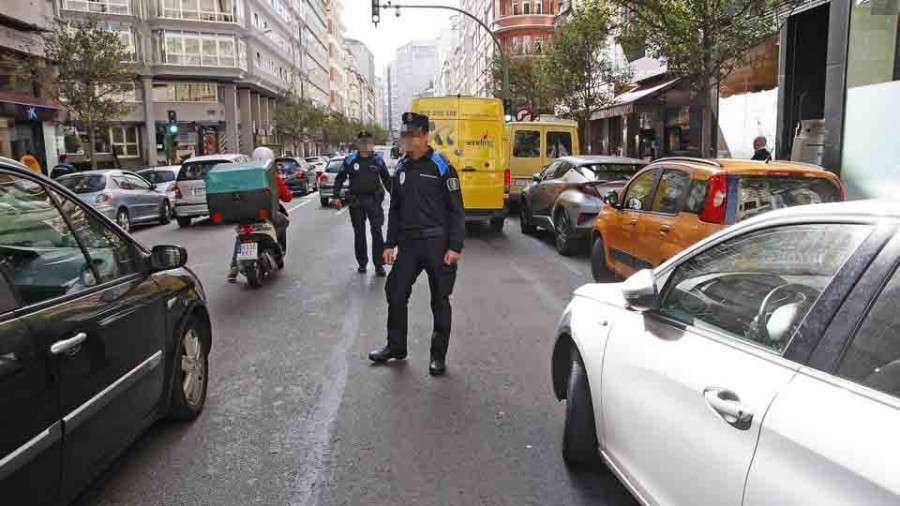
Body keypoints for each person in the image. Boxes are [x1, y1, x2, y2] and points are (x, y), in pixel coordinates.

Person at [369, 112, 465, 376]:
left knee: (440, 300)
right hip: (409, 245)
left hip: (437, 244)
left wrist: (455, 247)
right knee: (395, 292)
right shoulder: (400, 168)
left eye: (411, 135)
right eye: (404, 135)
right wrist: (389, 244)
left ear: (425, 136)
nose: (406, 140)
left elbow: (457, 211)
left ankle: (438, 356)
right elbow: (395, 210)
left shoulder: (442, 166)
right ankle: (396, 346)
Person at [227, 147, 292, 282]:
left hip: (246, 215)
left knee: (241, 235)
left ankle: (234, 266)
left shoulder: (244, 176)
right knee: (284, 221)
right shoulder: (272, 176)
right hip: (266, 217)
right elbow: (287, 197)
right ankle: (277, 250)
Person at [333, 131, 392, 276]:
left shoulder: (377, 159)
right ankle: (362, 263)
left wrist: (395, 197)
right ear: (358, 144)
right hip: (356, 202)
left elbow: (386, 179)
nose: (365, 145)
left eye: (368, 142)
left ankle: (379, 265)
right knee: (359, 234)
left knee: (377, 232)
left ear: (371, 143)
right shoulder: (350, 160)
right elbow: (340, 178)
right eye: (362, 142)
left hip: (374, 201)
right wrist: (336, 196)